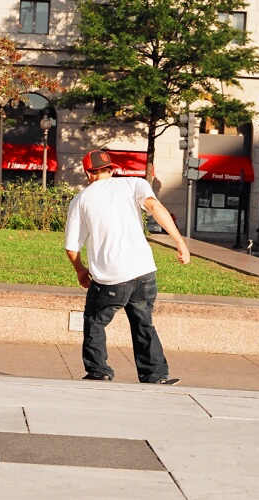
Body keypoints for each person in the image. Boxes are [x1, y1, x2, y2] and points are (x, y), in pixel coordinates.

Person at [64, 150, 191, 384]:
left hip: (111, 277)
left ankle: (98, 371)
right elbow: (155, 207)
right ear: (111, 170)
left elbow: (72, 247)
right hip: (144, 271)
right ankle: (155, 375)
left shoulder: (81, 200)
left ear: (88, 174)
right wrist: (180, 242)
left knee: (94, 320)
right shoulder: (134, 183)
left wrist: (80, 270)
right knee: (143, 322)